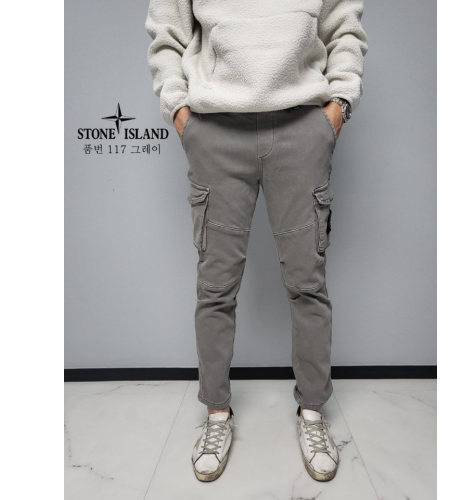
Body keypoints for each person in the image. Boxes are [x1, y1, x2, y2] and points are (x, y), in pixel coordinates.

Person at [146, 0, 368, 483]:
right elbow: (167, 34)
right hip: (216, 130)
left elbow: (344, 28)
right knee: (215, 286)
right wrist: (179, 111)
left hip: (302, 126)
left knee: (307, 282)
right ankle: (216, 413)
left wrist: (339, 106)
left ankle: (312, 412)